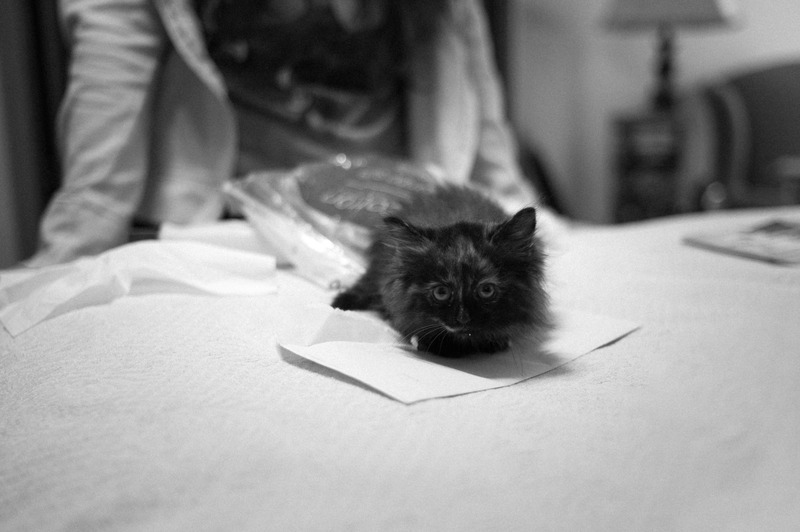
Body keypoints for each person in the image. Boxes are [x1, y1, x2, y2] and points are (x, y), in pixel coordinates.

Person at [28, 0, 539, 267]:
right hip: (235, 234)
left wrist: (526, 221)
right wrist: (65, 261)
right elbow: (101, 148)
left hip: (397, 231)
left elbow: (489, 147)